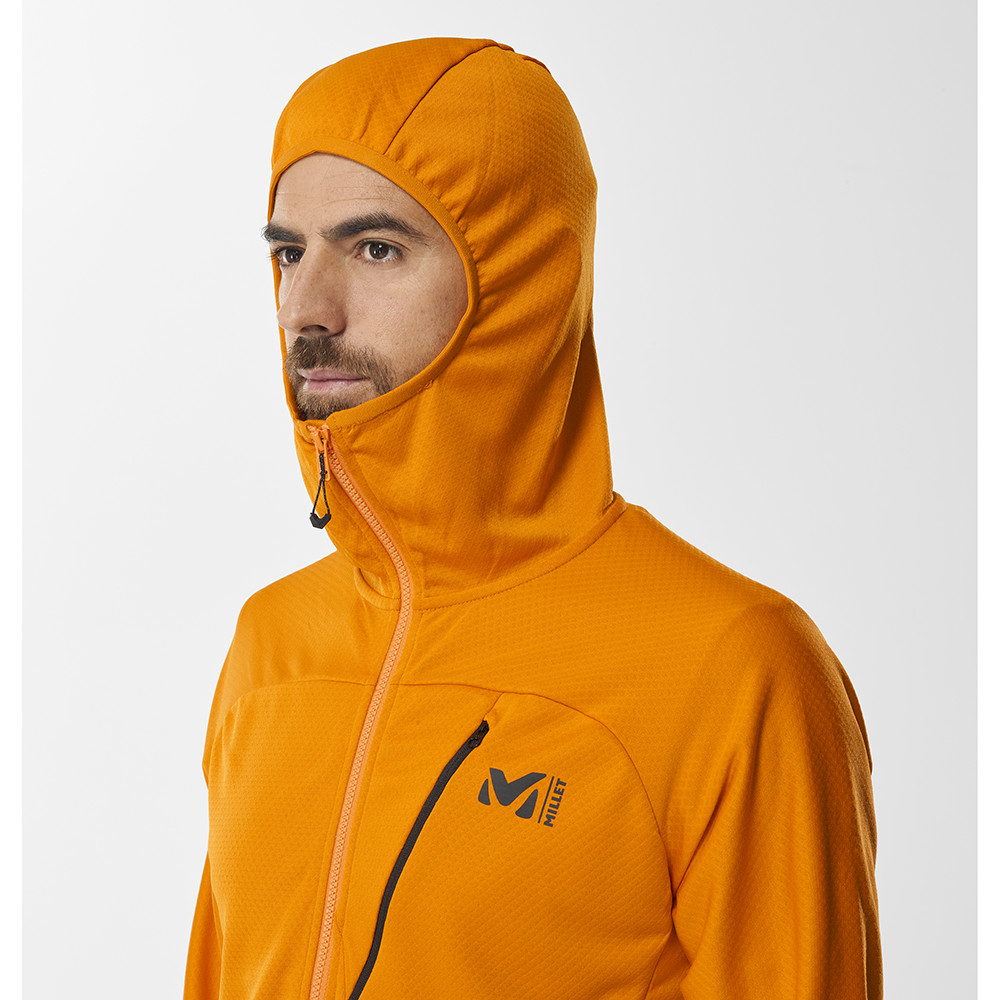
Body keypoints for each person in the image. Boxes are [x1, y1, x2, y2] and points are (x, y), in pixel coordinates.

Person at [183, 37, 882, 1000]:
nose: (304, 308)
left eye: (377, 248)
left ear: (519, 278)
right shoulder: (271, 646)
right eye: (288, 254)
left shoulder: (733, 669)